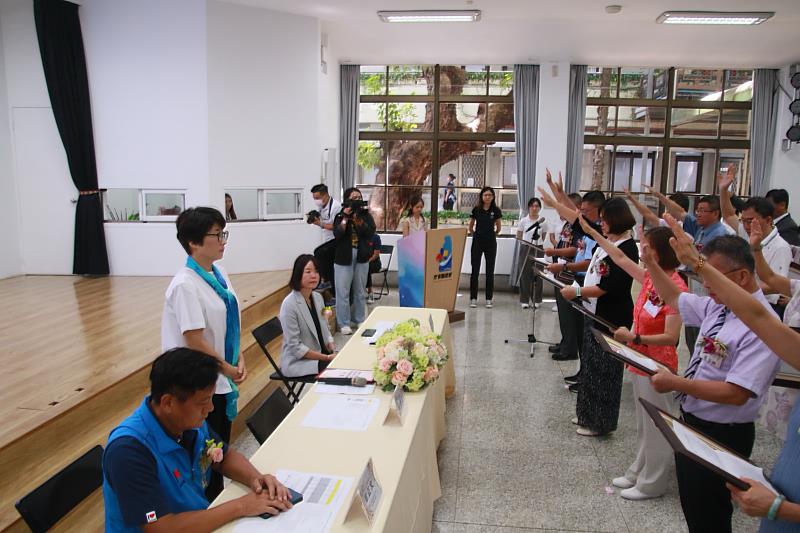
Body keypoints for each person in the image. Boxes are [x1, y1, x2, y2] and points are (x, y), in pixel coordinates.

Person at [663, 214, 800, 532]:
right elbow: (758, 313)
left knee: (709, 513)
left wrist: (784, 508)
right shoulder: (724, 308)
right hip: (783, 484)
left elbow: (759, 317)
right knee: (698, 508)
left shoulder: (757, 320)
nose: (708, 288)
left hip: (727, 430)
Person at [103, 348, 292, 532]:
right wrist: (242, 506)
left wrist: (256, 479)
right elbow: (161, 528)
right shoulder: (128, 451)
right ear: (168, 402)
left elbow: (224, 456)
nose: (210, 408)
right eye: (203, 402)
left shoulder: (187, 421)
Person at [580, 219, 687, 499]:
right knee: (643, 421)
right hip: (639, 360)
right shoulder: (652, 277)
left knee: (657, 425)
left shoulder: (675, 287)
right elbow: (618, 256)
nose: (642, 252)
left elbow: (671, 336)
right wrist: (591, 232)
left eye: (648, 248)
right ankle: (638, 470)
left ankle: (652, 482)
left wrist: (635, 339)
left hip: (658, 365)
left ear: (661, 252)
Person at [162, 207, 244, 500]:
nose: (223, 240)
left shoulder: (218, 274)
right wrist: (226, 366)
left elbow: (229, 322)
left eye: (224, 233)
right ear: (194, 243)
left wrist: (239, 357)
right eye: (216, 235)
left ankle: (216, 505)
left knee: (218, 454)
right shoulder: (185, 284)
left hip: (221, 376)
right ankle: (206, 511)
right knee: (207, 457)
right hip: (199, 382)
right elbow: (194, 339)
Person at [718, 171, 792, 311]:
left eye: (750, 221)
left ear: (768, 220)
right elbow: (728, 215)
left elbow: (774, 285)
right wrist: (723, 190)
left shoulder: (781, 247)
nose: (746, 226)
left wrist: (740, 289)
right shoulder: (749, 233)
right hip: (743, 298)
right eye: (743, 221)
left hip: (765, 306)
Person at [279, 255, 336, 377]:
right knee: (337, 370)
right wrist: (326, 357)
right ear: (298, 274)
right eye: (308, 271)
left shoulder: (318, 297)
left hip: (321, 354)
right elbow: (295, 347)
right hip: (298, 362)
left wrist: (330, 343)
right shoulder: (289, 304)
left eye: (316, 271)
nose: (314, 275)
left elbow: (325, 327)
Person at [332, 187, 376, 335]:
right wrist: (345, 217)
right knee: (342, 291)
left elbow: (371, 232)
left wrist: (359, 222)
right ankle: (343, 323)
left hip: (362, 255)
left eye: (359, 197)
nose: (357, 200)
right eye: (354, 198)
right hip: (344, 256)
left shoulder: (365, 215)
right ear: (347, 200)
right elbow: (337, 233)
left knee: (360, 290)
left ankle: (359, 319)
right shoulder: (340, 215)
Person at [468, 186, 502, 309]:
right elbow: (470, 227)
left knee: (489, 271)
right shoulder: (476, 209)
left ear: (493, 197)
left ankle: (488, 298)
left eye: (489, 195)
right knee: (475, 271)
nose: (487, 197)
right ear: (481, 197)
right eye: (485, 195)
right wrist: (477, 235)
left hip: (491, 243)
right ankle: (473, 298)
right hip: (477, 242)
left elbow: (498, 228)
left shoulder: (496, 210)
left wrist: (491, 235)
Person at [516, 197, 549, 309]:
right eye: (532, 206)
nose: (534, 208)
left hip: (538, 248)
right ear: (529, 207)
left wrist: (538, 244)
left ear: (539, 208)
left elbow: (543, 236)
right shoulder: (523, 221)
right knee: (525, 275)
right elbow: (519, 236)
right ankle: (524, 300)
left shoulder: (543, 222)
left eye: (537, 206)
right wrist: (525, 243)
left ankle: (537, 299)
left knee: (538, 274)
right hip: (525, 248)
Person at [365, 233, 382, 304]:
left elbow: (376, 255)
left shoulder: (376, 237)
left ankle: (370, 292)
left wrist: (367, 261)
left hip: (374, 263)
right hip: (363, 261)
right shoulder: (362, 236)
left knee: (366, 267)